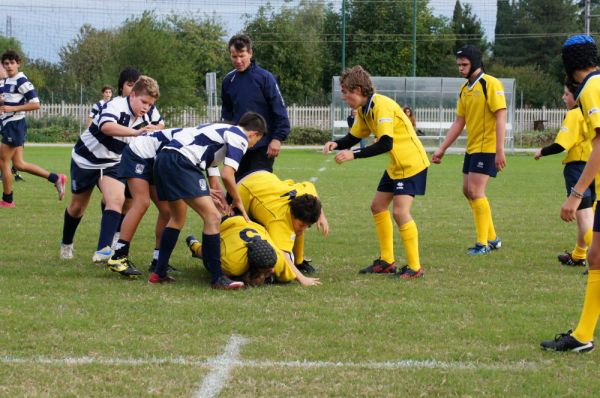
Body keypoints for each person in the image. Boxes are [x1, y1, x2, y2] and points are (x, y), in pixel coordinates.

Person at [323, 65, 428, 279]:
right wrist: (337, 143)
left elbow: (386, 143)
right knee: (377, 206)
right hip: (396, 166)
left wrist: (354, 155)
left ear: (359, 90)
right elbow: (354, 137)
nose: (343, 97)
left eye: (345, 92)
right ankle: (387, 261)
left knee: (400, 212)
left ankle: (415, 267)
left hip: (411, 164)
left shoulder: (381, 105)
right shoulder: (364, 110)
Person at [148, 112, 267, 289]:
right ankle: (218, 278)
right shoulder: (239, 136)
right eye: (256, 142)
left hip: (164, 159)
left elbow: (213, 173)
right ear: (254, 134)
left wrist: (221, 199)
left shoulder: (219, 130)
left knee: (177, 218)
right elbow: (228, 175)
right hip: (181, 162)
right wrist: (238, 200)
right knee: (212, 217)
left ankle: (159, 272)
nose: (251, 146)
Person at [541, 34, 600, 353]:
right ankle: (582, 336)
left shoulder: (590, 88)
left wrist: (576, 194)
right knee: (595, 257)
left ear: (569, 64)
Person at [59, 76, 160, 262]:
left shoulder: (148, 112)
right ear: (133, 94)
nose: (146, 107)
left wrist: (155, 128)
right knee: (77, 207)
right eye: (144, 102)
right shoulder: (115, 105)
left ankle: (103, 249)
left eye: (150, 104)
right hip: (85, 159)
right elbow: (106, 127)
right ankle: (66, 244)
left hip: (112, 162)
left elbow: (159, 124)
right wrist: (137, 132)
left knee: (116, 199)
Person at [431, 44, 506, 255]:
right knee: (468, 191)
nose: (460, 68)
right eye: (458, 65)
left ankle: (482, 244)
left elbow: (501, 116)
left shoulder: (490, 84)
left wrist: (500, 150)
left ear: (475, 63)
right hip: (473, 148)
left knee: (475, 191)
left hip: (488, 147)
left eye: (464, 64)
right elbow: (459, 122)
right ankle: (492, 238)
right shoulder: (464, 89)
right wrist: (442, 148)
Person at [105, 127, 185, 277]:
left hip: (157, 159)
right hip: (139, 153)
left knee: (167, 210)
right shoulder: (198, 138)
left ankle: (158, 261)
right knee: (142, 202)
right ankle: (118, 256)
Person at [534, 82, 594, 267]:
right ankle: (579, 255)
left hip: (577, 169)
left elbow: (561, 145)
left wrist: (542, 151)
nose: (563, 97)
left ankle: (596, 257)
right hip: (594, 167)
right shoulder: (594, 111)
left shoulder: (575, 114)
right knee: (588, 214)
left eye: (566, 94)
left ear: (577, 97)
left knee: (583, 215)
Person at [0, 49, 66, 208]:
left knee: (3, 161)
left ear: (18, 64)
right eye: (6, 64)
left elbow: (36, 103)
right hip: (10, 125)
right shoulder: (6, 81)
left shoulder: (21, 80)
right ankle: (56, 178)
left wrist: (12, 109)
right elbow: (6, 102)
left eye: (12, 63)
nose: (9, 66)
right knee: (20, 164)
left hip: (14, 126)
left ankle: (7, 200)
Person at [237, 170, 327, 286]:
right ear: (292, 214)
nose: (304, 228)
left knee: (297, 230)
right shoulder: (279, 221)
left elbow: (310, 187)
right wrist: (301, 278)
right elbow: (284, 256)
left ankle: (299, 262)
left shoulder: (303, 195)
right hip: (244, 189)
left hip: (264, 177)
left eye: (308, 225)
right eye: (302, 224)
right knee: (282, 269)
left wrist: (321, 216)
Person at [221, 33, 290, 180]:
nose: (238, 61)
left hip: (262, 147)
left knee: (257, 187)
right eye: (234, 56)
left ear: (250, 53)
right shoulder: (228, 80)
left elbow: (279, 110)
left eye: (242, 55)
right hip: (237, 146)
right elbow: (226, 115)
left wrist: (277, 138)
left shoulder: (265, 78)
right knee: (235, 191)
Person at [186, 215, 305, 287]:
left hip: (253, 224)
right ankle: (194, 245)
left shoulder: (278, 259)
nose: (273, 270)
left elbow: (288, 277)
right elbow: (211, 259)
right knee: (209, 257)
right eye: (268, 270)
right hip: (227, 226)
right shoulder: (232, 263)